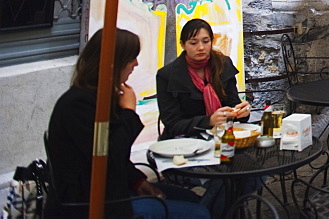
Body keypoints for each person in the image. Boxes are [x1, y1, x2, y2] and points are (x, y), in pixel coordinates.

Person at [46, 28, 209, 218]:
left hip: (113, 188)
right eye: (132, 58)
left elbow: (115, 159)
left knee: (191, 198)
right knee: (200, 213)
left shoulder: (100, 95)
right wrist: (129, 112)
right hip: (93, 203)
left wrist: (138, 181)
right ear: (115, 63)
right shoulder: (79, 104)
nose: (136, 63)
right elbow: (108, 154)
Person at [156, 19, 251, 139]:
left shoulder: (223, 64)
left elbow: (232, 104)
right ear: (182, 44)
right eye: (193, 43)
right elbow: (173, 124)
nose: (201, 47)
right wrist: (209, 121)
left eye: (206, 41)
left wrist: (241, 112)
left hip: (221, 136)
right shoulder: (167, 75)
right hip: (183, 141)